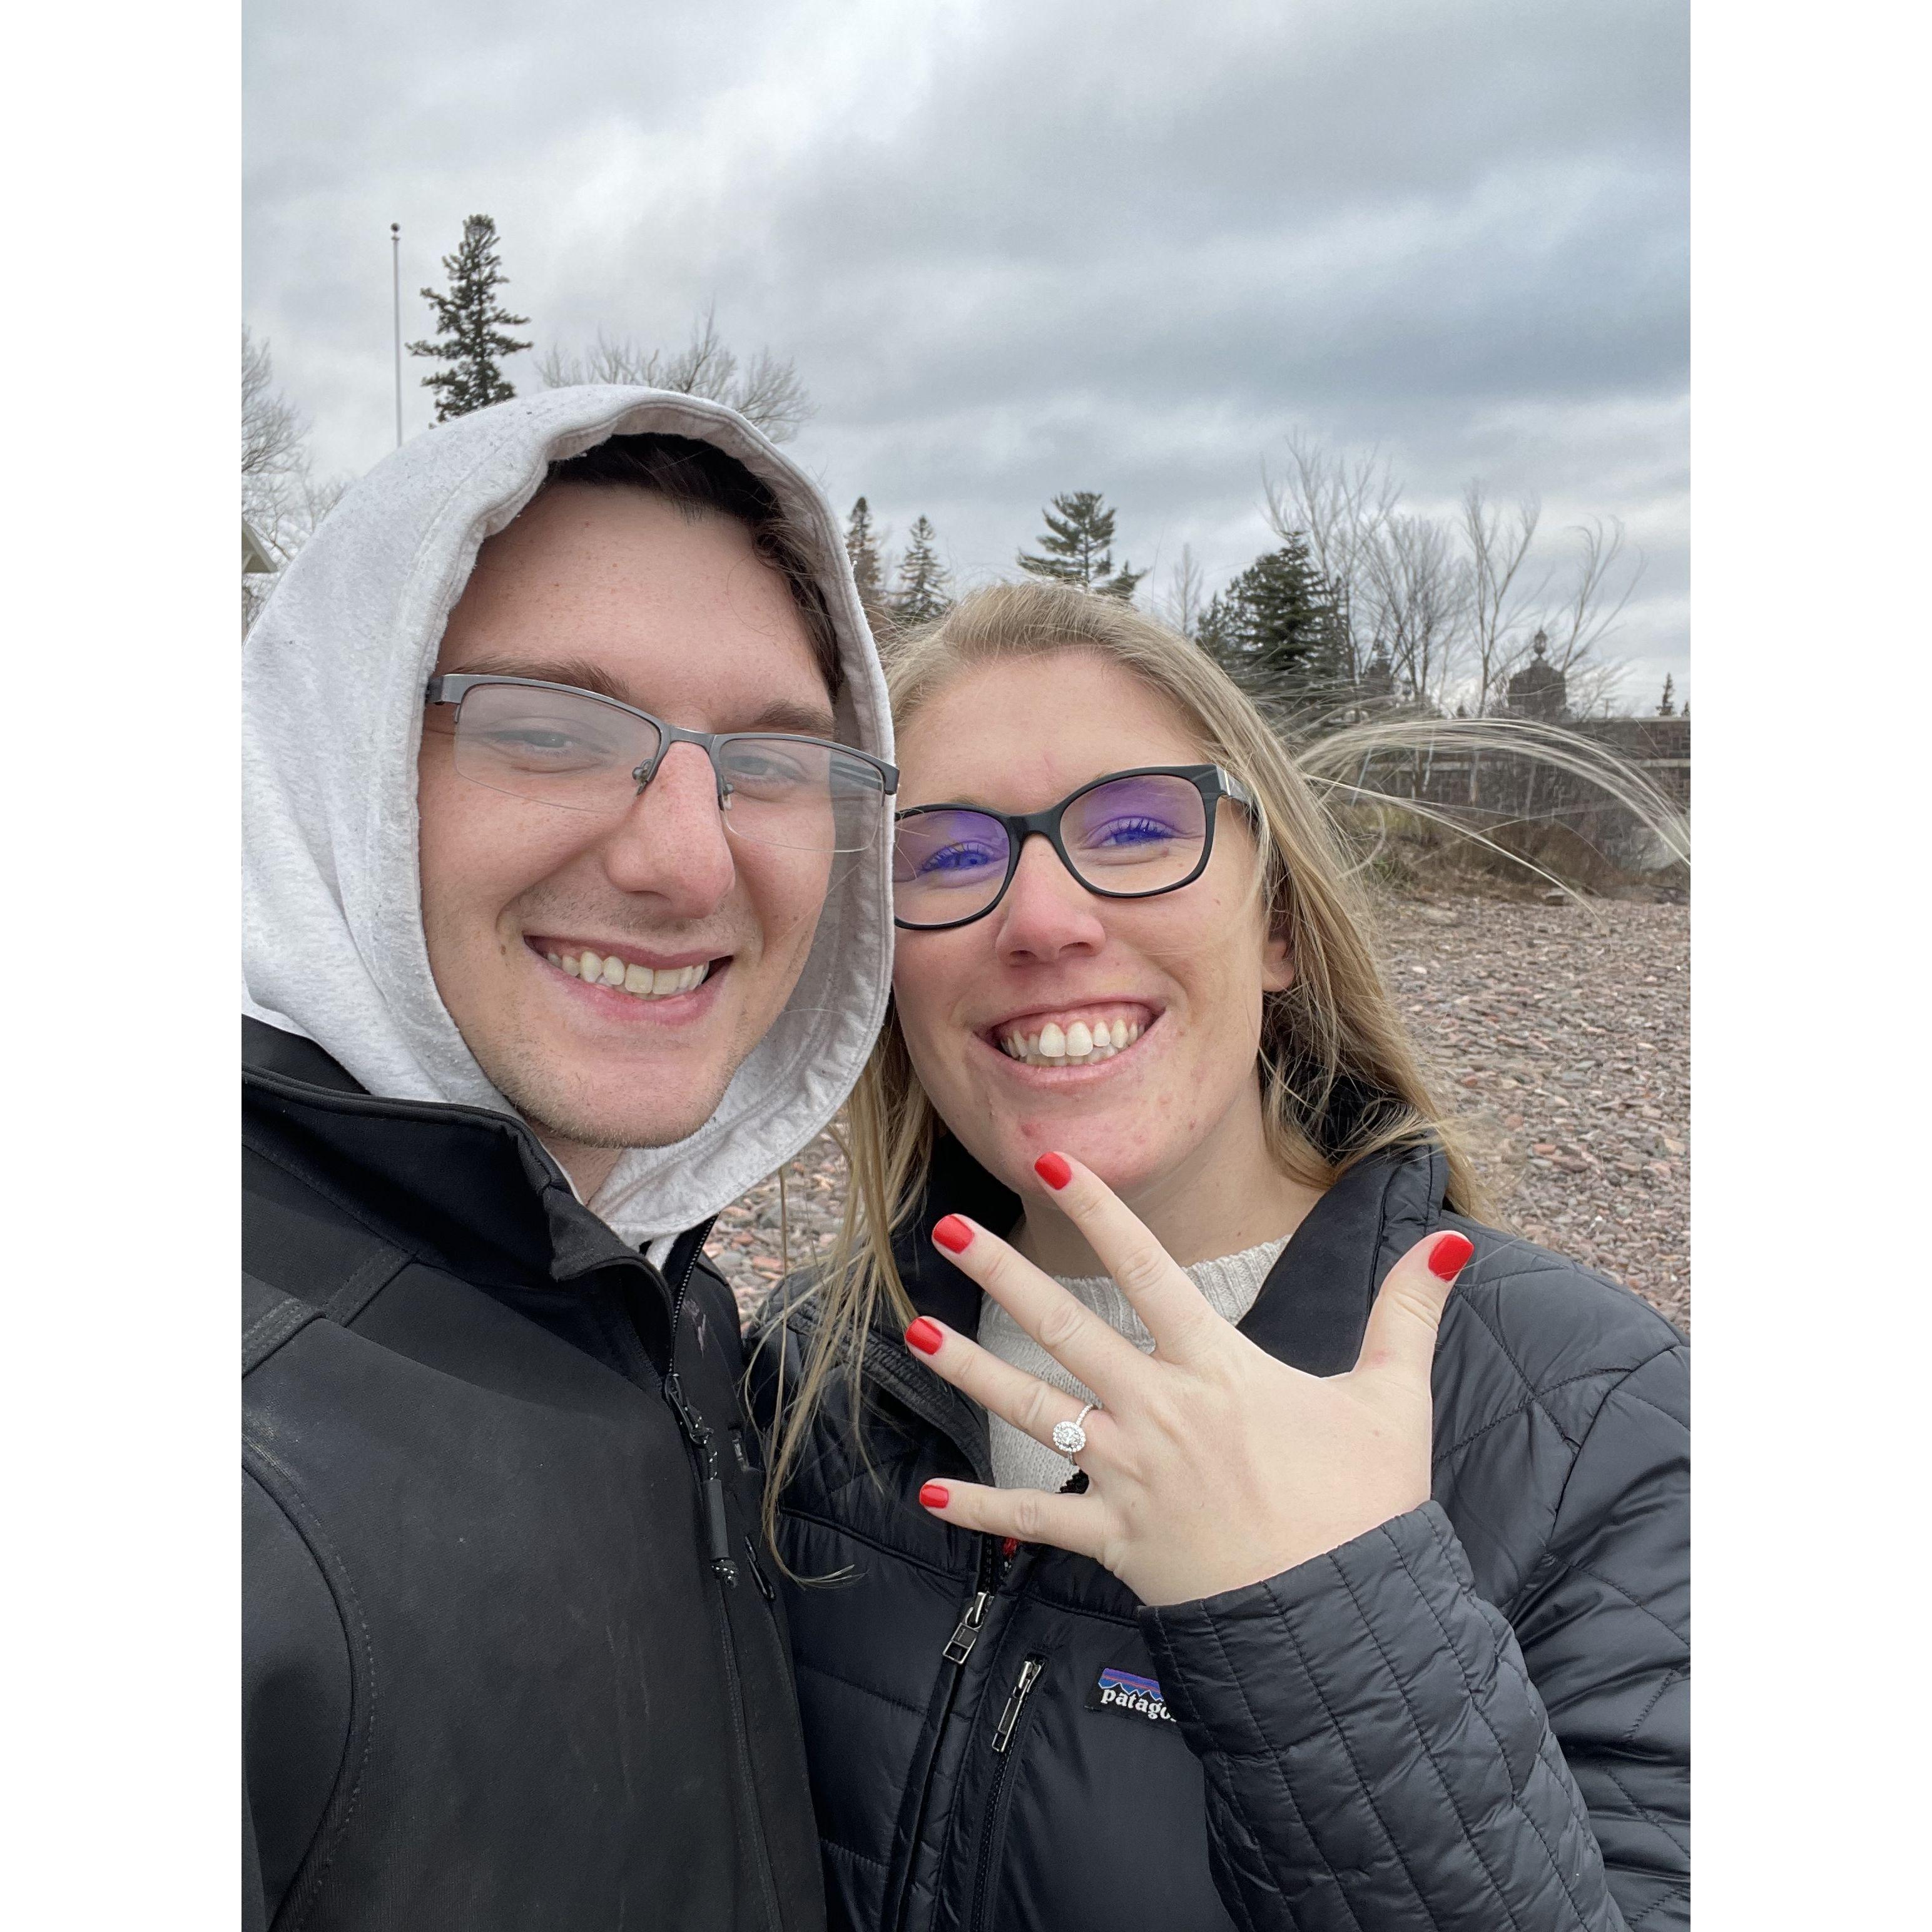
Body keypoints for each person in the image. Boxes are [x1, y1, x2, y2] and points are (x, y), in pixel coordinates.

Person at [751, 581, 1690, 1932]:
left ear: (1278, 927)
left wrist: (1330, 1622)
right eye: (942, 856)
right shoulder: (805, 1378)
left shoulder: (1592, 1418)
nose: (1043, 920)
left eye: (1137, 829)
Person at [242, 390, 898, 1930]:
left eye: (769, 760)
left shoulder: (652, 1302)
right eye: (547, 729)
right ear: (330, 752)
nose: (686, 856)